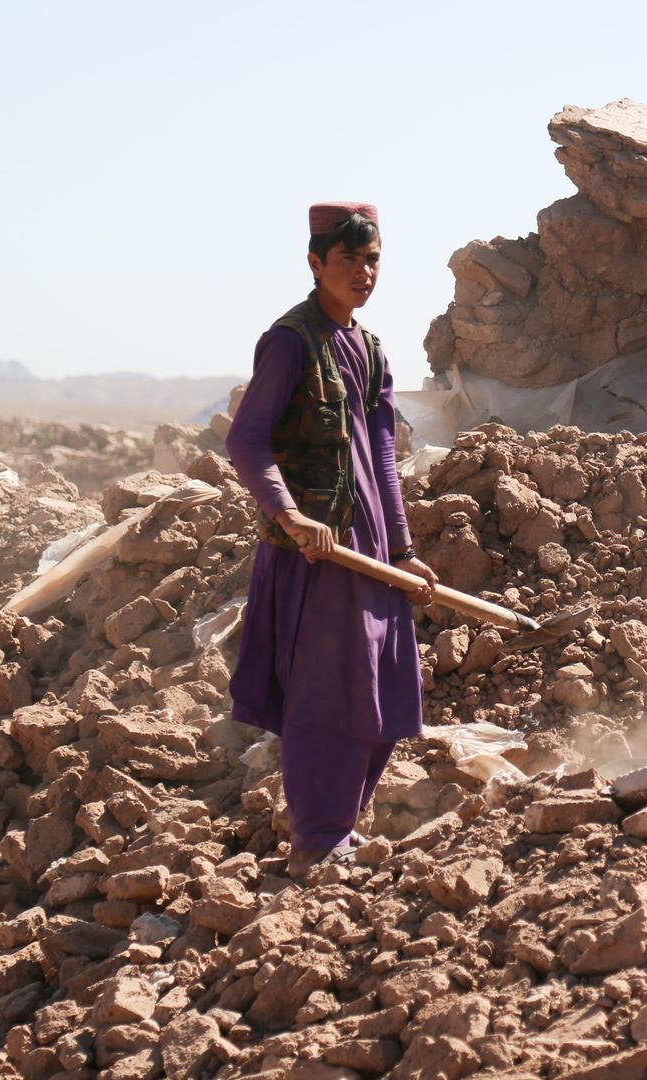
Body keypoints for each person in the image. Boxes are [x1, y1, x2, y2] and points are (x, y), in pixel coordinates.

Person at [224, 202, 440, 876]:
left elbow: (381, 457)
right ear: (316, 263)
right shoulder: (289, 343)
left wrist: (401, 550)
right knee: (328, 693)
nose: (363, 273)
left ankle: (337, 825)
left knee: (384, 688)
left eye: (372, 260)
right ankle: (317, 838)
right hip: (317, 553)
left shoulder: (370, 350)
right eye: (349, 261)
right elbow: (246, 440)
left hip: (369, 548)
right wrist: (290, 516)